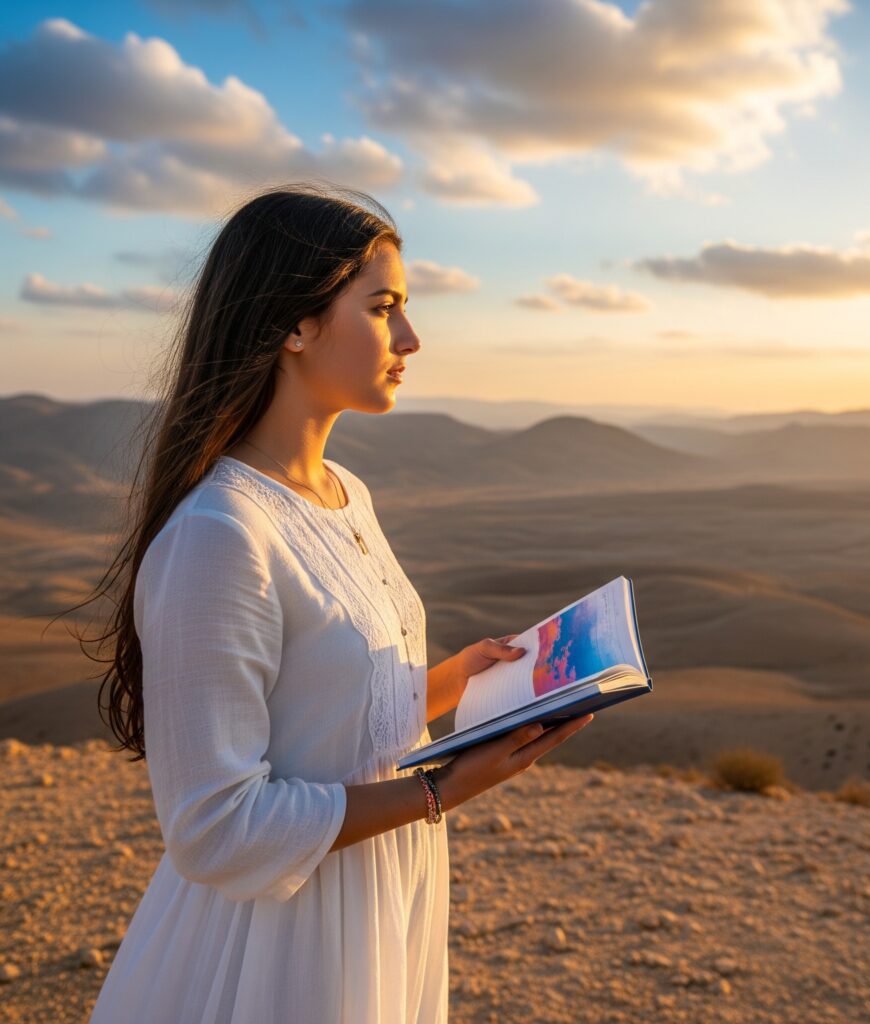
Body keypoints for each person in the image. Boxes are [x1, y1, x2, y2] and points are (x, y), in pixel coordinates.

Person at [85, 183, 593, 1024]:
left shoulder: (343, 493)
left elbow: (327, 720)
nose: (412, 338)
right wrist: (441, 791)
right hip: (277, 946)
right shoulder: (220, 534)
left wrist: (454, 683)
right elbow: (215, 829)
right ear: (294, 324)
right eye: (384, 307)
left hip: (376, 895)